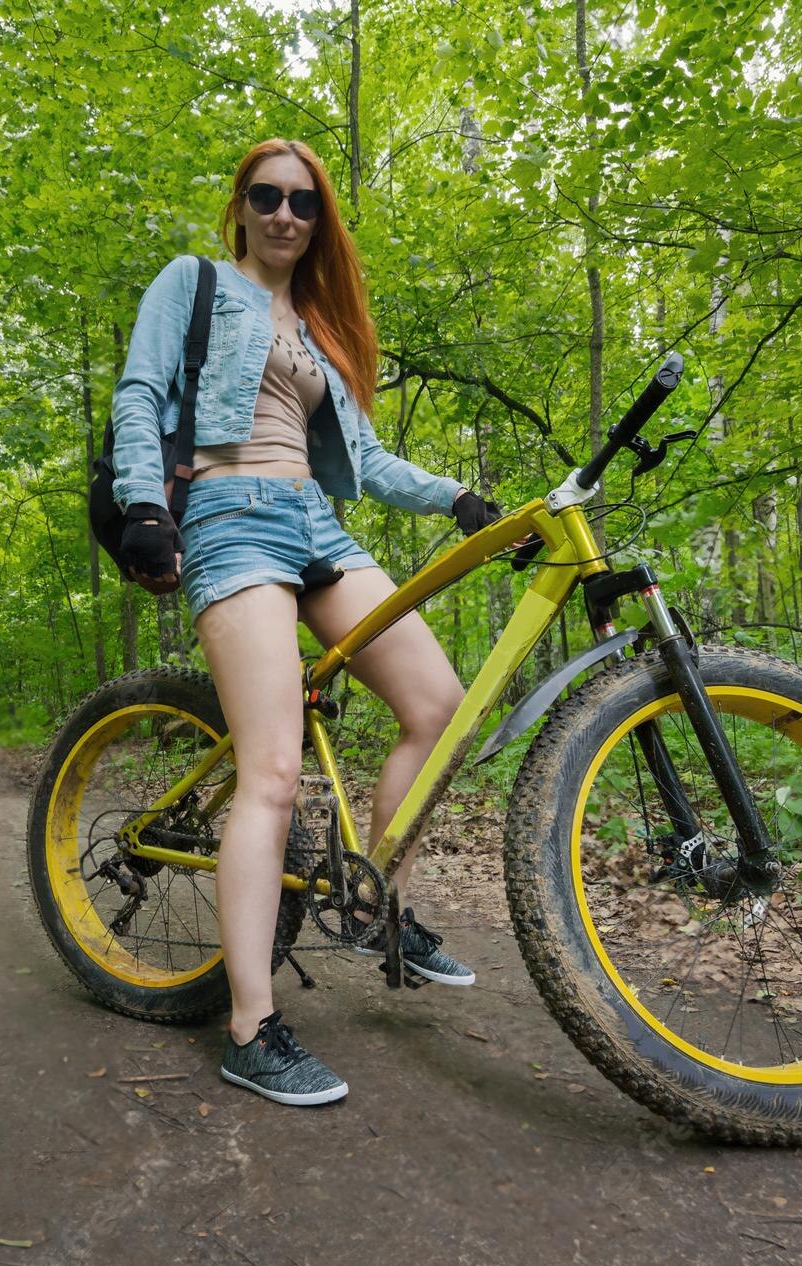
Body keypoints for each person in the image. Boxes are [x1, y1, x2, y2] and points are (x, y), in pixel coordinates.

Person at [107, 139, 503, 1107]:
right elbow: (139, 391)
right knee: (273, 771)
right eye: (266, 196)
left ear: (320, 221)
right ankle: (250, 1026)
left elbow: (364, 460)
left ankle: (375, 906)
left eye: (304, 202)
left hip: (314, 524)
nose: (285, 214)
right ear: (238, 206)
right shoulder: (194, 281)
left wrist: (455, 496)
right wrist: (141, 507)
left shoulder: (319, 329)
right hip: (228, 518)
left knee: (438, 704)